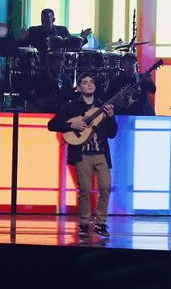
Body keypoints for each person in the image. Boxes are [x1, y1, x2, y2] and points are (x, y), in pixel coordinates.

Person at [46, 72, 119, 239]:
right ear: (79, 88)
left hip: (101, 153)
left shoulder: (102, 106)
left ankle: (101, 223)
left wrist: (111, 117)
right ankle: (84, 224)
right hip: (82, 154)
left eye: (91, 82)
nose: (89, 84)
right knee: (84, 190)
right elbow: (52, 124)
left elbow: (112, 134)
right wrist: (72, 125)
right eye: (85, 82)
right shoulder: (71, 107)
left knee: (105, 187)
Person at [19, 8, 91, 53]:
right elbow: (23, 48)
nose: (44, 23)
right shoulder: (34, 31)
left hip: (58, 65)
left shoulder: (62, 31)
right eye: (42, 20)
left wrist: (82, 38)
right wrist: (22, 39)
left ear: (53, 20)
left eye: (47, 20)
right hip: (39, 65)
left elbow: (72, 47)